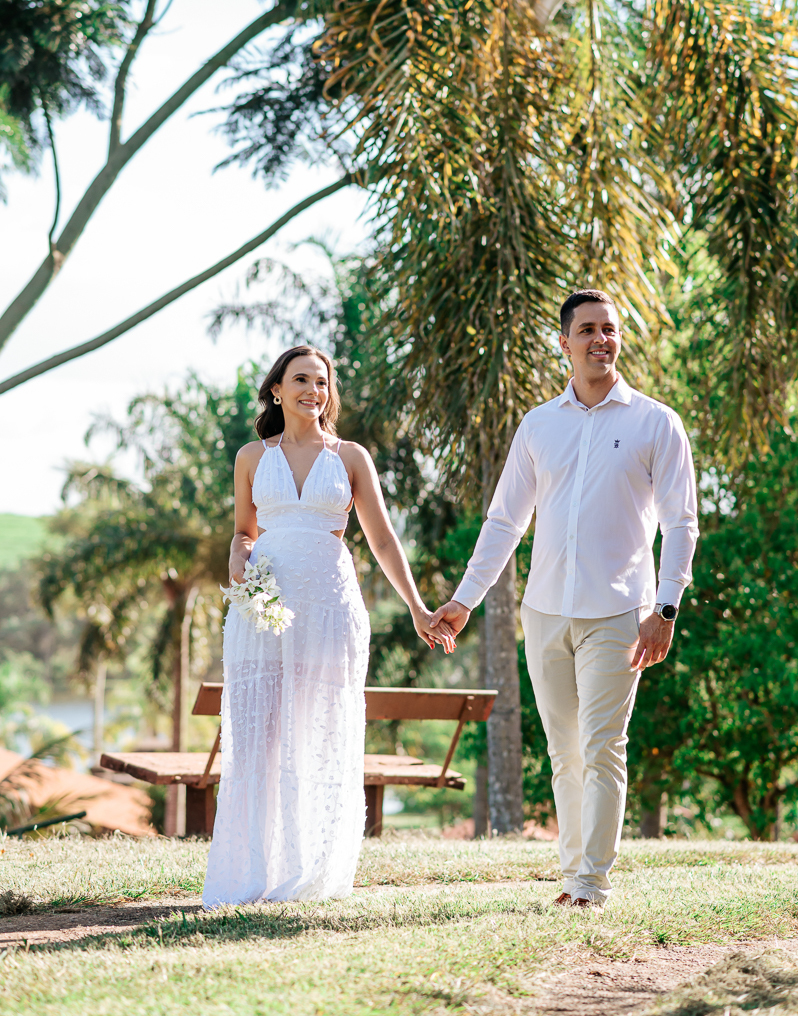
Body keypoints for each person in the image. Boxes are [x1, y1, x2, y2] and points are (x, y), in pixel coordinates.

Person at [430, 290, 698, 907]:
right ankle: (573, 869)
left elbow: (681, 524)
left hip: (620, 614)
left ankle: (589, 883)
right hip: (545, 610)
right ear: (565, 343)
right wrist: (466, 599)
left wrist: (665, 610)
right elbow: (504, 522)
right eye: (587, 330)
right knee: (564, 751)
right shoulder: (537, 424)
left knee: (604, 745)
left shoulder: (656, 422)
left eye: (609, 329)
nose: (600, 340)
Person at [203, 345, 453, 907]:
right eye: (301, 380)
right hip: (262, 606)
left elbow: (384, 538)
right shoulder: (250, 457)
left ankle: (313, 869)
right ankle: (251, 872)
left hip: (329, 606)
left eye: (322, 382)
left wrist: (415, 606)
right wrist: (238, 559)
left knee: (318, 729)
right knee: (259, 737)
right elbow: (244, 532)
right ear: (277, 390)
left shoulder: (351, 458)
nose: (313, 391)